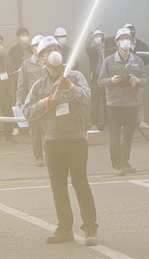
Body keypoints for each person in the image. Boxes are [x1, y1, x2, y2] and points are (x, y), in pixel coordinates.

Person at [24, 36, 98, 246]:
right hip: (52, 141)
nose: (52, 53)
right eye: (47, 51)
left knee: (80, 184)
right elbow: (28, 111)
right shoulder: (38, 85)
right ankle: (64, 228)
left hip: (75, 139)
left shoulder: (75, 76)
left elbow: (87, 97)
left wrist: (71, 88)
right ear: (41, 58)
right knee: (58, 186)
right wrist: (48, 102)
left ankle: (90, 227)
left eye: (55, 48)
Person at [99, 27, 146, 175]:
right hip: (114, 103)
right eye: (122, 38)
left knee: (128, 134)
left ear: (131, 41)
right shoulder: (108, 61)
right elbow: (100, 81)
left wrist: (137, 80)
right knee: (115, 135)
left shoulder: (138, 61)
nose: (125, 41)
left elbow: (145, 80)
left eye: (128, 38)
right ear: (117, 41)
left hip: (131, 103)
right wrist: (111, 80)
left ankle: (125, 162)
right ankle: (116, 165)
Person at [16, 34, 46, 165]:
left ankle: (52, 155)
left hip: (50, 100)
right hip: (34, 103)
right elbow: (22, 83)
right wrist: (19, 99)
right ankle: (38, 156)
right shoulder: (26, 64)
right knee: (36, 132)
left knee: (52, 131)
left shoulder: (50, 60)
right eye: (36, 45)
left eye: (41, 44)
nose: (38, 47)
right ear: (32, 48)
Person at [124, 23, 149, 128]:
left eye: (132, 31)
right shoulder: (122, 45)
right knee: (125, 100)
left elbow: (148, 59)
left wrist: (139, 59)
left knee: (139, 99)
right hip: (126, 76)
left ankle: (141, 120)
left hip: (139, 75)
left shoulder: (142, 45)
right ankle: (125, 122)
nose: (131, 34)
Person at [84, 27, 107, 131]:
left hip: (107, 79)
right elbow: (86, 45)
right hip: (96, 79)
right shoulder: (92, 50)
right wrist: (90, 32)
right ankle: (94, 124)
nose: (98, 38)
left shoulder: (108, 50)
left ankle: (108, 123)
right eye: (96, 37)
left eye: (100, 36)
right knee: (95, 102)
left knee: (107, 102)